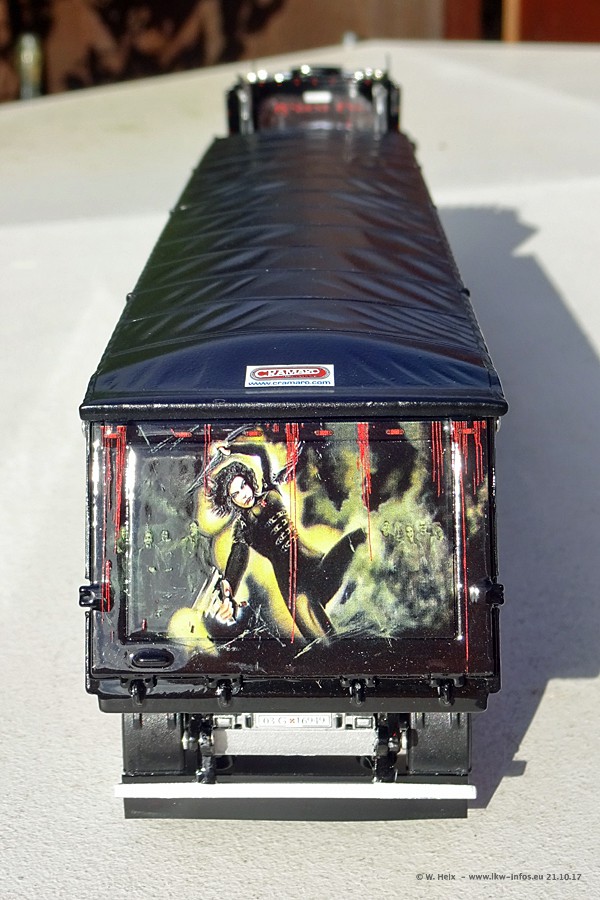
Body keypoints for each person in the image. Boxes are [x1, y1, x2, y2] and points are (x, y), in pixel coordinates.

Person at [209, 441, 365, 642]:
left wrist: (232, 449)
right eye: (235, 494)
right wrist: (227, 594)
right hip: (298, 592)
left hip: (320, 567)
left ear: (249, 481)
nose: (244, 494)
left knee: (361, 536)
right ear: (231, 501)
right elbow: (237, 559)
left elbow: (260, 451)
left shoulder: (270, 490)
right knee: (329, 646)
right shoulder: (243, 527)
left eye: (243, 486)